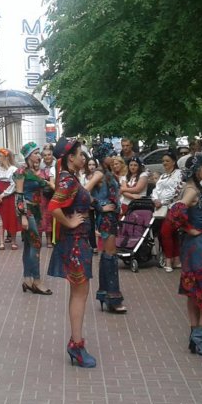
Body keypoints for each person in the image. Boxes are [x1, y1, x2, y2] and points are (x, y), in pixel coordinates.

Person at [47, 137, 103, 367]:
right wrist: (70, 222)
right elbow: (53, 207)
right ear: (71, 158)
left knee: (79, 293)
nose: (84, 157)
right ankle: (76, 345)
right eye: (80, 154)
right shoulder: (68, 180)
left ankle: (76, 343)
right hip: (76, 242)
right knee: (80, 294)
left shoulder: (68, 178)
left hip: (78, 241)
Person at [167, 153, 202, 356]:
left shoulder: (192, 188)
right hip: (201, 247)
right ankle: (201, 336)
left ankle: (195, 335)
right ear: (197, 169)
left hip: (195, 246)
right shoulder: (192, 190)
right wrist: (190, 229)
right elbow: (175, 212)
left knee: (194, 291)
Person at [91, 142, 126, 314]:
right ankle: (113, 298)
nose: (113, 157)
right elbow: (84, 192)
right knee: (111, 256)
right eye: (110, 154)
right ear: (103, 156)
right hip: (106, 219)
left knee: (108, 255)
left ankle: (106, 294)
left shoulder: (107, 173)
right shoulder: (99, 173)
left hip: (111, 218)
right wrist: (100, 207)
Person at [16, 142, 53, 295]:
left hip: (37, 211)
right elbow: (19, 195)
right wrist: (23, 217)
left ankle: (27, 279)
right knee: (36, 244)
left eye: (39, 153)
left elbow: (47, 187)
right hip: (28, 211)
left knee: (29, 245)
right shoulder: (21, 172)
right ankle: (36, 281)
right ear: (28, 156)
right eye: (36, 153)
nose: (39, 155)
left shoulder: (36, 172)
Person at [151, 150, 184, 271]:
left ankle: (168, 260)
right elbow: (156, 190)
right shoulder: (163, 176)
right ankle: (176, 259)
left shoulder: (179, 174)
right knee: (171, 233)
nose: (164, 163)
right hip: (161, 209)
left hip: (173, 207)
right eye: (163, 161)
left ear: (174, 162)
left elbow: (177, 191)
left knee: (165, 232)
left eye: (167, 161)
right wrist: (155, 199)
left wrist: (163, 201)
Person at [0, 149, 20, 250]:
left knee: (12, 218)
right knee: (0, 219)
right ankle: (1, 242)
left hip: (9, 196)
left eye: (0, 156)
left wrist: (3, 195)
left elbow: (13, 184)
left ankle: (13, 241)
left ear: (6, 157)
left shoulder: (13, 169)